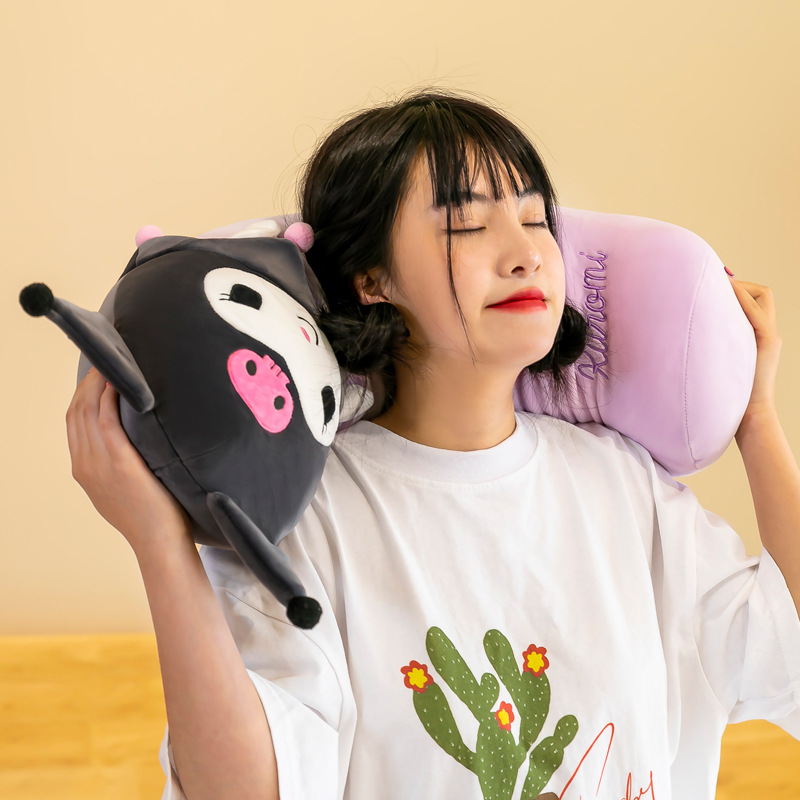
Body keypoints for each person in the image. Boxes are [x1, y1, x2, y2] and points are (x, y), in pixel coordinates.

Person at [66, 91, 800, 800]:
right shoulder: (311, 521)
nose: (525, 253)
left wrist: (757, 419)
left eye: (536, 219)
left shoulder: (623, 486)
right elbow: (251, 791)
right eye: (466, 225)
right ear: (371, 278)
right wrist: (162, 547)